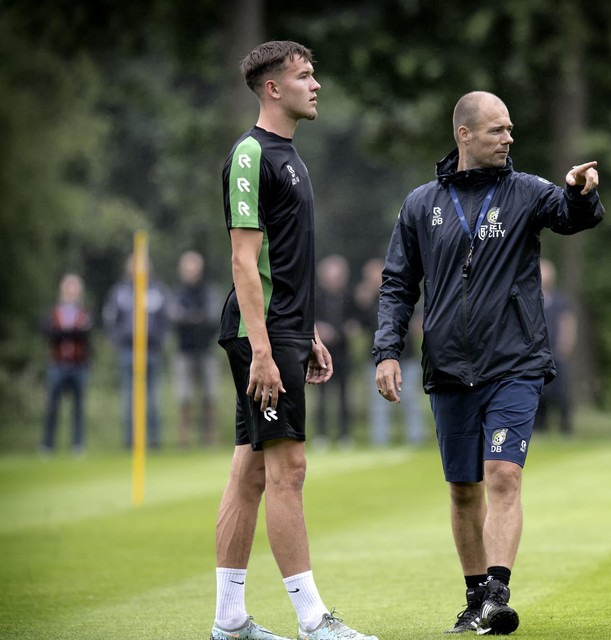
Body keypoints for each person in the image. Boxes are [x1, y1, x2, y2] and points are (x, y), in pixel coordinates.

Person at [374, 91, 604, 635]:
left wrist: (578, 192)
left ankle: (498, 593)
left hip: (515, 364)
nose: (509, 138)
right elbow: (397, 286)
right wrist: (387, 350)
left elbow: (572, 217)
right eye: (498, 130)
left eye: (510, 130)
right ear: (465, 135)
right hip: (449, 369)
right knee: (462, 490)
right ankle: (475, 598)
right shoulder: (420, 204)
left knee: (503, 475)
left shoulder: (526, 192)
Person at [212, 41, 378, 640]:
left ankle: (229, 622)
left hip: (284, 331)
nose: (316, 85)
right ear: (272, 88)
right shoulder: (252, 153)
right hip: (259, 336)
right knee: (289, 469)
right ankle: (313, 621)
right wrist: (264, 348)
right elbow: (242, 259)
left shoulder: (291, 157)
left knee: (249, 473)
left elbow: (286, 260)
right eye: (304, 76)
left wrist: (304, 331)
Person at [354, 257, 425, 447]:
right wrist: (362, 302)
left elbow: (417, 322)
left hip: (406, 357)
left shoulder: (400, 295)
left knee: (410, 399)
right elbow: (357, 326)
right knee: (379, 402)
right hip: (377, 359)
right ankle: (380, 439)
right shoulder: (368, 302)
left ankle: (416, 438)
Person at [102, 254, 170, 449]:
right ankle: (130, 441)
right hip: (128, 351)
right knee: (128, 398)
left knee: (153, 398)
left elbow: (167, 318)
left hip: (152, 351)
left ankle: (154, 441)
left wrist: (160, 339)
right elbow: (110, 320)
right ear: (128, 268)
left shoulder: (158, 291)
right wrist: (118, 341)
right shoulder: (119, 292)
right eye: (134, 266)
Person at [170, 250, 222, 447]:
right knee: (184, 397)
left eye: (194, 268)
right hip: (184, 351)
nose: (190, 272)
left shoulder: (208, 291)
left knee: (210, 397)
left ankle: (210, 438)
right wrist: (194, 318)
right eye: (187, 268)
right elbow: (174, 317)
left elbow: (213, 318)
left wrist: (190, 318)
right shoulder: (177, 292)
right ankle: (184, 440)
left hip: (206, 351)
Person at [40, 273, 94, 456]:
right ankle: (47, 445)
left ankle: (77, 445)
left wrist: (67, 332)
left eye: (75, 287)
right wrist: (69, 332)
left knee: (78, 407)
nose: (72, 291)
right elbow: (49, 332)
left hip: (79, 364)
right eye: (68, 287)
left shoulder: (84, 312)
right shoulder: (54, 311)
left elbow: (86, 334)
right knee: (52, 406)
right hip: (57, 363)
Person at [313, 254, 357, 448]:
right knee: (320, 396)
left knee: (344, 395)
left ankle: (345, 435)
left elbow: (359, 320)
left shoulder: (350, 297)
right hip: (320, 355)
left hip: (342, 352)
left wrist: (350, 327)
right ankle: (320, 435)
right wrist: (318, 329)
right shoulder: (315, 297)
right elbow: (306, 320)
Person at [533, 259, 576, 436]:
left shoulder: (559, 300)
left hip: (555, 354)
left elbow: (568, 323)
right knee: (538, 393)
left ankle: (565, 428)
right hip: (535, 355)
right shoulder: (531, 297)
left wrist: (565, 345)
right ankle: (539, 428)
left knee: (560, 392)